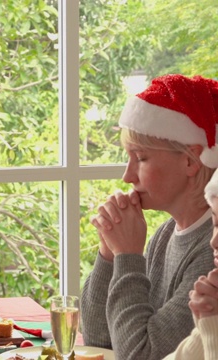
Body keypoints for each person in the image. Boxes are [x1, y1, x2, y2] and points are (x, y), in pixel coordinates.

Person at [81, 74, 218, 360]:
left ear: (191, 161)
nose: (127, 176)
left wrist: (128, 255)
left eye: (140, 158)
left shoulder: (211, 253)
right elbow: (98, 339)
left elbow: (141, 356)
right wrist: (110, 253)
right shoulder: (166, 234)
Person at [163, 170, 218, 359]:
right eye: (216, 224)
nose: (213, 242)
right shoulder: (164, 236)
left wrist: (211, 324)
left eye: (142, 158)